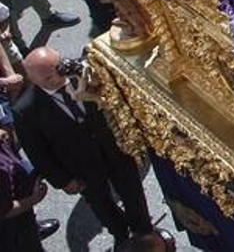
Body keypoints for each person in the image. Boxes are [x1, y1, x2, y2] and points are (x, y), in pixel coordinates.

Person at [13, 47, 154, 247]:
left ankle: (145, 232)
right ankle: (121, 234)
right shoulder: (26, 110)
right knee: (102, 204)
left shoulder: (85, 73)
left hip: (115, 150)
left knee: (133, 194)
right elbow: (38, 152)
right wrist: (63, 180)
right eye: (48, 78)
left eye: (58, 69)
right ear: (32, 80)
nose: (57, 78)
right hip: (81, 166)